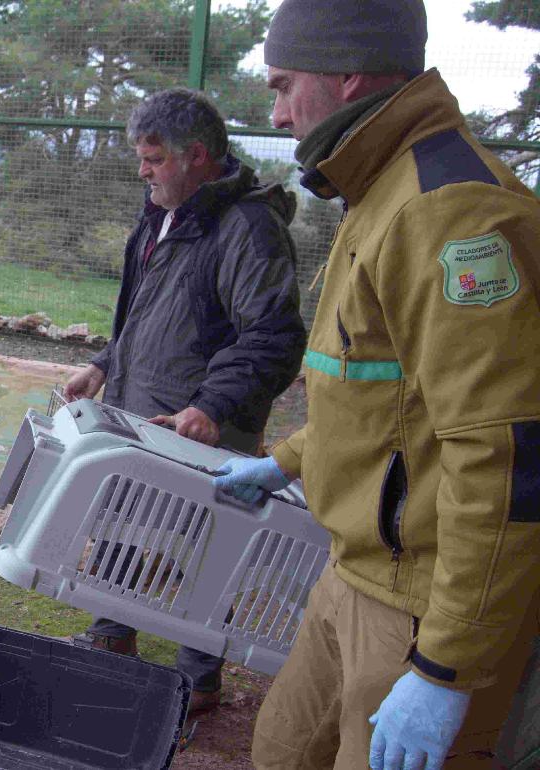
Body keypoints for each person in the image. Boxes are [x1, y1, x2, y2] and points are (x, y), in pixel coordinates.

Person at [213, 1, 540, 768]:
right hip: (351, 572)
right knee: (283, 750)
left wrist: (446, 668)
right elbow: (375, 393)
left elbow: (508, 456)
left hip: (427, 602)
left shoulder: (451, 213)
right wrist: (288, 459)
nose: (279, 110)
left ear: (347, 73)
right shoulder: (378, 189)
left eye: (285, 84)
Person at [64, 88, 306, 715]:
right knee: (116, 519)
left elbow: (273, 336)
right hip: (144, 409)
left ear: (196, 155)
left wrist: (214, 406)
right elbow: (148, 311)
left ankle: (198, 681)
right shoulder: (163, 210)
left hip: (203, 427)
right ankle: (111, 638)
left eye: (152, 159)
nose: (141, 171)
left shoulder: (249, 228)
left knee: (207, 549)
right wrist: (103, 364)